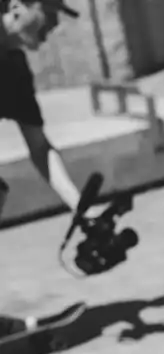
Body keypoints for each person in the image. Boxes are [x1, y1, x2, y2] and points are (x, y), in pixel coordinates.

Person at [0, 0, 86, 222]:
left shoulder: (14, 71)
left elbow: (39, 148)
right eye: (48, 14)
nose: (53, 27)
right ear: (17, 9)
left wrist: (80, 207)